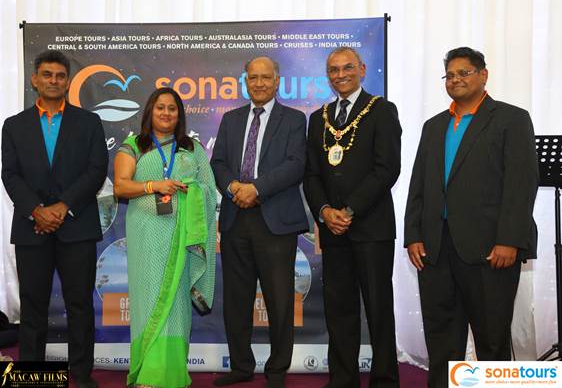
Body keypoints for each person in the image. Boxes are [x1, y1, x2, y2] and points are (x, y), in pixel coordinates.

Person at [404, 47, 539, 388]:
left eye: (463, 73)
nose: (455, 80)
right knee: (441, 338)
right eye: (450, 75)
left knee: (491, 339)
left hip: (490, 248)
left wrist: (509, 239)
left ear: (483, 75)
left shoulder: (511, 119)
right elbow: (419, 184)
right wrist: (413, 235)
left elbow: (521, 185)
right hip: (435, 248)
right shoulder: (434, 126)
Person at [1, 50, 108, 388]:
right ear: (35, 80)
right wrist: (37, 210)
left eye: (60, 76)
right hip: (31, 228)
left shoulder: (89, 123)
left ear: (68, 82)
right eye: (47, 74)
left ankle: (81, 373)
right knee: (32, 306)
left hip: (77, 226)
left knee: (80, 305)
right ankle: (32, 375)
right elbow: (10, 174)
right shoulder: (14, 125)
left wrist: (62, 207)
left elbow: (96, 170)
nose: (53, 81)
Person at [304, 47, 401, 388]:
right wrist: (324, 211)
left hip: (371, 228)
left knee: (378, 308)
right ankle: (343, 379)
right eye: (333, 70)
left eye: (347, 67)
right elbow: (311, 175)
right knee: (339, 309)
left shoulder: (382, 110)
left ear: (362, 69)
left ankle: (385, 379)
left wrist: (348, 210)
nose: (340, 74)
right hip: (333, 229)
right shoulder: (319, 118)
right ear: (327, 76)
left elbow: (387, 169)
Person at [210, 56, 308, 388]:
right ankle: (241, 366)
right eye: (253, 77)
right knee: (236, 300)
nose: (260, 83)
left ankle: (277, 370)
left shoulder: (294, 120)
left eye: (266, 77)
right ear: (246, 81)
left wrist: (256, 189)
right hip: (236, 218)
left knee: (279, 301)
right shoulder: (231, 119)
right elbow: (218, 162)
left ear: (277, 81)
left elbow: (296, 165)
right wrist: (233, 187)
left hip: (275, 221)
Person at [113, 87, 216, 388]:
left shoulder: (192, 148)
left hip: (183, 238)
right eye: (160, 107)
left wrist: (193, 190)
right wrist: (154, 185)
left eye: (172, 108)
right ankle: (147, 374)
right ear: (150, 111)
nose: (166, 113)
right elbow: (120, 186)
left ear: (179, 115)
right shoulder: (134, 145)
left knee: (178, 305)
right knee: (148, 300)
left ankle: (172, 375)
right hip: (146, 236)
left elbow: (210, 190)